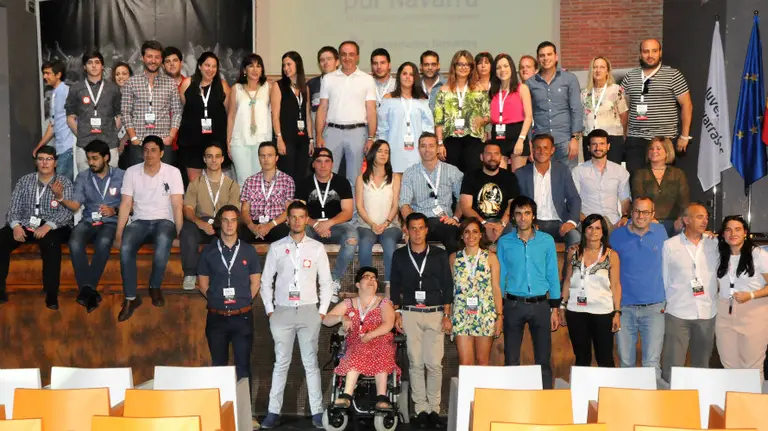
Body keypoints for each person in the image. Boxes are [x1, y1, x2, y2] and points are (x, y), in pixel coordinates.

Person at [260, 200, 332, 429]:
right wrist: (270, 311)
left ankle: (317, 412)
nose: (297, 220)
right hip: (281, 311)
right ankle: (273, 412)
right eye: (293, 216)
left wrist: (321, 313)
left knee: (311, 363)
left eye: (302, 217)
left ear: (306, 219)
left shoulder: (317, 248)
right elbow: (265, 282)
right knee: (281, 363)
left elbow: (327, 283)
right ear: (288, 219)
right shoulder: (277, 247)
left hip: (310, 310)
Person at [390, 212, 453, 429]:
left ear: (427, 230)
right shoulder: (399, 255)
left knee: (434, 364)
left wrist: (447, 315)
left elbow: (448, 285)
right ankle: (420, 410)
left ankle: (434, 409)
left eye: (420, 228)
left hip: (435, 312)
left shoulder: (439, 255)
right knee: (415, 363)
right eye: (412, 228)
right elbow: (395, 285)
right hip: (409, 313)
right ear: (406, 230)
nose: (416, 233)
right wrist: (396, 312)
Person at [115, 136, 184, 322]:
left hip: (165, 221)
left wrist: (180, 233)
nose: (149, 154)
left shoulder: (173, 172)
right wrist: (119, 232)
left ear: (162, 153)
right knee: (126, 247)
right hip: (139, 221)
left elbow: (177, 205)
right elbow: (125, 204)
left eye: (154, 150)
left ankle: (155, 286)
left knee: (163, 242)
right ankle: (131, 298)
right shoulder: (131, 172)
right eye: (146, 150)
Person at [496, 196, 561, 389]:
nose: (523, 218)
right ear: (513, 218)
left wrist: (555, 308)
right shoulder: (504, 242)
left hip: (540, 305)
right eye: (518, 214)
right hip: (513, 305)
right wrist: (498, 309)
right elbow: (500, 277)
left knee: (543, 360)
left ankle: (545, 401)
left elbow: (552, 274)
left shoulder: (546, 241)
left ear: (533, 216)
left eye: (526, 213)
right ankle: (512, 402)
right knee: (511, 359)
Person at [0, 146, 74, 308]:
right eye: (41, 159)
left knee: (51, 242)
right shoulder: (25, 181)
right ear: (36, 162)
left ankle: (51, 292)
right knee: (2, 238)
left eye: (48, 159)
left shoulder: (64, 183)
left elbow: (68, 212)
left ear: (55, 163)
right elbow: (13, 208)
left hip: (55, 225)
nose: (44, 163)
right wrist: (16, 226)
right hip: (27, 224)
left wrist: (48, 226)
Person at [55, 140, 124, 312]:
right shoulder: (83, 177)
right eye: (88, 159)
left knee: (103, 242)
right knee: (74, 241)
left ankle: (86, 290)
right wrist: (61, 198)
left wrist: (114, 210)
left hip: (111, 222)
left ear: (106, 157)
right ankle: (89, 291)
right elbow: (76, 205)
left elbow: (132, 204)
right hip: (88, 221)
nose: (91, 163)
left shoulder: (122, 176)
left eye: (95, 158)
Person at [198, 204, 261, 389]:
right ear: (219, 223)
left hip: (242, 316)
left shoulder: (249, 251)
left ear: (238, 223)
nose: (229, 225)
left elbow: (255, 283)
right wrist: (217, 299)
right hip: (216, 318)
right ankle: (220, 415)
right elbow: (203, 285)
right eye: (225, 220)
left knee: (243, 369)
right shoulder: (208, 252)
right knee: (218, 369)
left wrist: (243, 301)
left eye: (233, 220)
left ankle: (245, 417)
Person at [322, 266, 399, 411]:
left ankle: (382, 396)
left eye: (374, 278)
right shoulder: (349, 303)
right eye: (367, 277)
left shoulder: (384, 303)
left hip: (379, 339)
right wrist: (342, 317)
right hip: (356, 342)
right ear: (358, 284)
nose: (371, 280)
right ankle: (346, 395)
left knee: (381, 348)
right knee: (355, 349)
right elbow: (326, 320)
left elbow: (388, 324)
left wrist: (370, 335)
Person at [609, 196, 668, 380]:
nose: (641, 216)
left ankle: (653, 407)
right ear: (630, 212)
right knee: (626, 363)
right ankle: (628, 408)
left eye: (646, 212)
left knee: (652, 364)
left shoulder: (661, 232)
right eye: (637, 211)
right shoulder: (617, 235)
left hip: (655, 308)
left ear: (653, 214)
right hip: (624, 308)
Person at [661, 202, 718, 383]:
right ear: (686, 220)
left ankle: (700, 402)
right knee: (673, 366)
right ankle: (670, 402)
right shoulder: (670, 245)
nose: (705, 221)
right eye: (699, 217)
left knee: (702, 366)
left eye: (706, 217)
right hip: (678, 312)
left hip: (706, 312)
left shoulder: (714, 243)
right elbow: (664, 277)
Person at [621, 39, 693, 175]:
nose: (650, 55)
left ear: (660, 53)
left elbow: (687, 105)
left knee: (663, 185)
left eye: (654, 51)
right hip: (636, 139)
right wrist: (623, 133)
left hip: (664, 139)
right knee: (636, 181)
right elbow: (622, 107)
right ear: (640, 54)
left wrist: (684, 136)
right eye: (646, 51)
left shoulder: (673, 75)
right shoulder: (630, 77)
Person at [294, 148, 358, 302]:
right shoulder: (304, 183)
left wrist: (329, 223)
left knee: (352, 238)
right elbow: (299, 213)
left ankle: (333, 280)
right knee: (298, 237)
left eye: (327, 161)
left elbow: (348, 212)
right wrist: (316, 224)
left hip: (336, 225)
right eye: (319, 161)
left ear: (332, 164)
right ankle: (306, 282)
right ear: (313, 164)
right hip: (311, 225)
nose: (323, 165)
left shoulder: (342, 182)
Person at [559, 214, 621, 367]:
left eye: (597, 228)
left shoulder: (611, 255)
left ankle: (607, 391)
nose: (593, 231)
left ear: (603, 231)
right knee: (581, 358)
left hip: (603, 313)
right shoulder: (573, 252)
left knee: (605, 358)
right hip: (575, 311)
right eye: (590, 227)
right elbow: (567, 280)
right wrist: (562, 305)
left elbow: (615, 284)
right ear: (584, 230)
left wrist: (617, 312)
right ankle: (582, 391)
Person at [315, 40, 377, 189]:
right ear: (339, 57)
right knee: (327, 173)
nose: (347, 58)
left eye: (351, 54)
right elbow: (322, 107)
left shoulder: (367, 80)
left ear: (357, 57)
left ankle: (354, 211)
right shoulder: (328, 79)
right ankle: (328, 209)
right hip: (332, 132)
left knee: (355, 177)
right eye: (343, 54)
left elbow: (371, 110)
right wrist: (318, 135)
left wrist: (371, 137)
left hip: (358, 132)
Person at [180, 143, 241, 290]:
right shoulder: (195, 183)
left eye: (217, 156)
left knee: (233, 229)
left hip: (221, 224)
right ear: (204, 159)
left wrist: (219, 224)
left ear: (222, 159)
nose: (213, 160)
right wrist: (199, 222)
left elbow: (232, 212)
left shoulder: (232, 185)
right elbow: (187, 209)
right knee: (187, 230)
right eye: (209, 156)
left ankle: (229, 275)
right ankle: (189, 274)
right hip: (200, 223)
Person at [400, 132, 463, 254]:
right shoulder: (410, 173)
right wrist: (410, 224)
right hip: (420, 222)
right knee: (414, 238)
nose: (427, 150)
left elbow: (462, 199)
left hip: (445, 221)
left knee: (453, 239)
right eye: (423, 146)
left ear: (437, 148)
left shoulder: (452, 171)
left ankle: (452, 272)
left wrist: (455, 218)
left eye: (431, 145)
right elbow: (404, 204)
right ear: (418, 149)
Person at [450, 218, 502, 366]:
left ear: (481, 235)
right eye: (466, 232)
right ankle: (467, 390)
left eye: (475, 232)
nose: (470, 236)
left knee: (482, 361)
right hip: (461, 314)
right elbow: (453, 289)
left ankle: (481, 390)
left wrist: (499, 316)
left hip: (485, 314)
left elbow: (496, 289)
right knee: (465, 362)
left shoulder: (491, 258)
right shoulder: (454, 258)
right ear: (461, 235)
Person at [121, 40, 182, 167]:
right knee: (138, 183)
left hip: (163, 144)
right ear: (143, 58)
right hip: (139, 143)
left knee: (165, 183)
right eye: (149, 56)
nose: (153, 61)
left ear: (161, 60)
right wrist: (133, 138)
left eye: (157, 57)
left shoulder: (170, 83)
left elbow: (177, 112)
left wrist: (171, 136)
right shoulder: (131, 82)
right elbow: (126, 112)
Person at [516, 134, 581, 247]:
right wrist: (526, 222)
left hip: (559, 223)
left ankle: (567, 266)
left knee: (575, 237)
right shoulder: (521, 173)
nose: (542, 151)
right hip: (532, 223)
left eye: (546, 148)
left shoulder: (562, 171)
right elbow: (516, 203)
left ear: (552, 150)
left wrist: (571, 222)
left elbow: (574, 198)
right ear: (532, 150)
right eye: (538, 148)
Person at [527, 41, 584, 170]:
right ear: (538, 59)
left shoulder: (569, 79)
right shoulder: (530, 84)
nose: (546, 58)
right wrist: (530, 143)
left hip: (566, 142)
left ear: (556, 57)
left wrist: (575, 139)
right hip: (541, 144)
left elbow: (576, 109)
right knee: (544, 184)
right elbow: (528, 117)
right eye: (542, 55)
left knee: (568, 182)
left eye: (549, 54)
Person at [355, 140, 402, 295]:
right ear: (373, 153)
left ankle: (389, 286)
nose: (383, 154)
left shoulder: (394, 178)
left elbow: (396, 205)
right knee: (365, 242)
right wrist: (372, 224)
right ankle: (366, 284)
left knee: (389, 242)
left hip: (390, 225)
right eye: (380, 151)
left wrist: (386, 223)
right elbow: (360, 207)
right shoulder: (361, 178)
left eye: (386, 152)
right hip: (366, 225)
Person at [434, 50, 490, 173]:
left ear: (471, 67)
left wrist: (483, 120)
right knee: (452, 178)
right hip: (451, 141)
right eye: (460, 64)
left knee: (472, 178)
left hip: (473, 140)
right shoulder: (443, 91)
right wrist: (439, 143)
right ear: (454, 67)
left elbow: (487, 115)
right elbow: (438, 121)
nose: (463, 68)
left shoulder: (479, 89)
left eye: (467, 64)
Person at [178, 52, 231, 182]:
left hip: (215, 140)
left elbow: (229, 112)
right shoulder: (187, 83)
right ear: (200, 66)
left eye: (214, 66)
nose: (210, 69)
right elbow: (184, 107)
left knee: (214, 180)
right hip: (192, 140)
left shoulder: (222, 85)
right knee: (195, 182)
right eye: (207, 65)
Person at [66, 50, 122, 172]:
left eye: (97, 62)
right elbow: (70, 117)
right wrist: (81, 133)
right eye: (90, 62)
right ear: (85, 67)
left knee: (111, 182)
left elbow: (119, 115)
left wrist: (112, 131)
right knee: (85, 182)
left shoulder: (113, 88)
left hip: (109, 143)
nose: (94, 65)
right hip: (85, 143)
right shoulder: (76, 89)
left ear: (102, 66)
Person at [377, 61, 434, 173]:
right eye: (404, 74)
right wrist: (382, 151)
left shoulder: (422, 100)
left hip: (417, 152)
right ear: (399, 76)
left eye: (411, 74)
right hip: (394, 149)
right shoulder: (388, 99)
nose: (407, 77)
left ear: (415, 78)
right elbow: (383, 128)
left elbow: (428, 128)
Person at [459, 142, 519, 242]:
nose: (492, 157)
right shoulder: (470, 177)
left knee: (516, 229)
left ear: (500, 157)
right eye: (488, 153)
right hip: (478, 221)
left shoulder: (510, 177)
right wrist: (484, 224)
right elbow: (465, 207)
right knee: (471, 229)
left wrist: (502, 224)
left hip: (503, 221)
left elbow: (512, 204)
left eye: (496, 154)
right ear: (482, 157)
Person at [631, 137, 690, 237]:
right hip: (648, 222)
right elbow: (638, 198)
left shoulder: (678, 174)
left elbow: (684, 201)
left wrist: (681, 218)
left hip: (674, 223)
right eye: (651, 148)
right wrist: (650, 219)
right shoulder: (640, 174)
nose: (654, 151)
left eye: (658, 148)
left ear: (667, 152)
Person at [572, 129, 631, 229]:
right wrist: (585, 222)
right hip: (587, 223)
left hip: (614, 223)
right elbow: (574, 201)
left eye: (601, 144)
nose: (598, 147)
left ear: (608, 146)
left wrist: (625, 217)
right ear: (588, 147)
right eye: (594, 144)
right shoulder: (578, 171)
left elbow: (625, 200)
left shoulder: (620, 171)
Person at [227, 54, 272, 184]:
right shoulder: (237, 88)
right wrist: (228, 141)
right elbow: (231, 116)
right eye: (251, 66)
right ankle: (244, 205)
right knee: (243, 180)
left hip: (262, 140)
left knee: (260, 180)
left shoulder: (268, 88)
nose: (255, 69)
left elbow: (275, 115)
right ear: (244, 70)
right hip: (239, 141)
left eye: (258, 66)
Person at [240, 142, 294, 243]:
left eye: (270, 155)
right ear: (258, 158)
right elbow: (244, 210)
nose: (266, 159)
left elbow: (289, 210)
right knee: (242, 236)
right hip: (255, 223)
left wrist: (270, 225)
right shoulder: (250, 181)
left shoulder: (287, 180)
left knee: (284, 235)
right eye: (262, 156)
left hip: (276, 223)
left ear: (276, 157)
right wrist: (252, 226)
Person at [271, 51, 312, 180]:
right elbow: (275, 115)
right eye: (284, 65)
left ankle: (299, 200)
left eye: (289, 64)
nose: (286, 68)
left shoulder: (305, 87)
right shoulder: (278, 86)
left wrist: (311, 140)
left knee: (301, 175)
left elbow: (307, 116)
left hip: (302, 138)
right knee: (287, 175)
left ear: (297, 65)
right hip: (286, 139)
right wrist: (279, 138)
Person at [489, 53, 533, 172]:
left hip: (517, 135)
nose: (502, 70)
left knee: (518, 178)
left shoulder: (522, 88)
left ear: (511, 68)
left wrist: (521, 139)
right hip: (497, 135)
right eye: (498, 67)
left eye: (505, 66)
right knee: (501, 178)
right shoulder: (493, 91)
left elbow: (529, 116)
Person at [34, 60, 77, 181]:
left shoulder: (67, 92)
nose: (44, 76)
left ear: (58, 75)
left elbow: (76, 117)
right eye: (44, 73)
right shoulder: (54, 93)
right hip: (60, 149)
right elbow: (53, 125)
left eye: (48, 73)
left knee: (62, 188)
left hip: (68, 148)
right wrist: (39, 146)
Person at [581, 56, 628, 164]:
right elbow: (582, 117)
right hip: (590, 139)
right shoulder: (584, 93)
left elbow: (624, 115)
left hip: (612, 139)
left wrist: (623, 135)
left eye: (602, 67)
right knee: (591, 174)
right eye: (595, 67)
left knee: (612, 174)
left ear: (607, 71)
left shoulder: (616, 90)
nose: (598, 70)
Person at [307, 46, 339, 127]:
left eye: (329, 59)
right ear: (319, 64)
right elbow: (307, 112)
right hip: (317, 133)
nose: (325, 62)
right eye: (322, 60)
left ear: (337, 62)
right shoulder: (312, 84)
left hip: (339, 131)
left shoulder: (345, 82)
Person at [112, 62, 133, 167]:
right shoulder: (111, 96)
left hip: (131, 142)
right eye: (117, 74)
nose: (121, 77)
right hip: (113, 143)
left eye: (124, 73)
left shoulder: (136, 96)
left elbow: (136, 122)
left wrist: (123, 142)